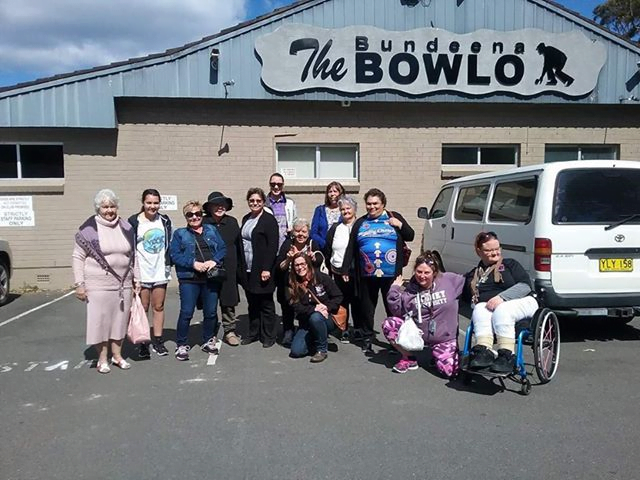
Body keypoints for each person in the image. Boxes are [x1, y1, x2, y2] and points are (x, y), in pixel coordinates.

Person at [72, 189, 140, 374]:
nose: (109, 210)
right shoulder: (88, 230)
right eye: (105, 207)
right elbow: (78, 257)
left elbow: (133, 256)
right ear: (98, 208)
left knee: (120, 321)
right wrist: (79, 284)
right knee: (100, 322)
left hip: (123, 284)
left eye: (112, 206)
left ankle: (117, 356)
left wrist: (137, 279)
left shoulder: (126, 227)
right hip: (98, 285)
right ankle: (102, 359)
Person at [341, 188, 414, 352]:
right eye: (369, 204)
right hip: (367, 274)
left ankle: (395, 339)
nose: (372, 207)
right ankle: (367, 337)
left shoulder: (393, 217)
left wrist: (400, 225)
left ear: (383, 204)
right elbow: (351, 247)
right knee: (367, 308)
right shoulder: (360, 222)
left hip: (391, 274)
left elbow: (410, 235)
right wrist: (345, 269)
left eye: (375, 203)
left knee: (392, 307)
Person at [465, 231, 539, 373]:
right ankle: (484, 351)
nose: (494, 253)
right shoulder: (475, 274)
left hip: (523, 301)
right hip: (493, 308)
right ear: (479, 251)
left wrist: (502, 297)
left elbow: (525, 286)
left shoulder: (510, 264)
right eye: (489, 250)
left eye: (497, 248)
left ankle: (507, 355)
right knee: (479, 308)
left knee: (502, 309)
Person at [382, 252, 464, 376]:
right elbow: (397, 310)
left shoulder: (449, 280)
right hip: (419, 335)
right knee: (389, 324)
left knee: (449, 372)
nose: (422, 276)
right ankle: (408, 357)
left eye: (427, 272)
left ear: (434, 272)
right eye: (419, 272)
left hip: (444, 338)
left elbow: (472, 282)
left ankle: (443, 355)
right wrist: (394, 289)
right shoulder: (411, 290)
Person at [169, 201, 226, 361]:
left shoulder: (211, 230)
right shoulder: (180, 234)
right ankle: (181, 344)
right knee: (187, 312)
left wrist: (214, 261)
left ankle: (208, 340)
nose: (194, 217)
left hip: (210, 277)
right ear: (185, 217)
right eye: (190, 214)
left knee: (211, 312)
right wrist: (193, 263)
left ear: (202, 214)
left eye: (198, 214)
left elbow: (222, 248)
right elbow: (174, 255)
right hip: (189, 279)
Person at [128, 188, 172, 358]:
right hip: (142, 272)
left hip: (160, 270)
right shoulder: (134, 222)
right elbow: (129, 248)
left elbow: (169, 243)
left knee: (158, 306)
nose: (152, 206)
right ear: (143, 203)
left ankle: (158, 341)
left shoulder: (165, 221)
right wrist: (132, 273)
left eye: (156, 203)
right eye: (149, 203)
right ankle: (143, 342)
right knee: (143, 307)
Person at [239, 187, 280, 348]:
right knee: (253, 303)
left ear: (263, 202)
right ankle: (253, 333)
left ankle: (269, 336)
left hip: (262, 269)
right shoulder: (246, 218)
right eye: (252, 200)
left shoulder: (269, 220)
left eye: (258, 200)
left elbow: (273, 246)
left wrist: (267, 268)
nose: (255, 203)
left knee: (266, 304)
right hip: (248, 269)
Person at [286, 253, 343, 363]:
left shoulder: (322, 277)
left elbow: (338, 296)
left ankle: (322, 350)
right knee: (296, 351)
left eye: (302, 264)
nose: (300, 267)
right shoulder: (291, 283)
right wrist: (314, 309)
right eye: (296, 265)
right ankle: (318, 337)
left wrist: (326, 307)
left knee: (316, 317)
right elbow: (296, 306)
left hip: (326, 317)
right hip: (306, 321)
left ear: (308, 264)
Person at [275, 218, 324, 347]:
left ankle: (306, 331)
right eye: (297, 231)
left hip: (308, 285)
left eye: (304, 231)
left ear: (308, 233)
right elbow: (280, 267)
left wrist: (313, 258)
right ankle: (288, 330)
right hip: (290, 283)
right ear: (293, 232)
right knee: (288, 308)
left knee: (306, 308)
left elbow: (320, 260)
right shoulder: (288, 244)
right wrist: (288, 259)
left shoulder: (312, 244)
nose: (300, 234)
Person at [203, 191, 242, 347]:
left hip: (229, 267)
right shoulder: (203, 223)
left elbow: (239, 245)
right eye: (216, 205)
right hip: (208, 268)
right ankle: (210, 333)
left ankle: (229, 331)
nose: (220, 207)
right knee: (210, 302)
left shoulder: (232, 222)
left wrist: (239, 268)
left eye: (223, 204)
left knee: (228, 301)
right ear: (209, 207)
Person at [324, 195, 360, 343]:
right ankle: (343, 328)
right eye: (342, 209)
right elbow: (328, 249)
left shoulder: (361, 226)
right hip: (337, 271)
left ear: (355, 209)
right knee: (342, 301)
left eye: (348, 208)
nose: (345, 211)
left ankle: (358, 329)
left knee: (357, 301)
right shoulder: (335, 228)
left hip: (356, 272)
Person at [264, 172, 297, 248]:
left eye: (279, 184)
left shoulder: (290, 202)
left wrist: (292, 228)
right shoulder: (264, 204)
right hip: (269, 243)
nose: (276, 187)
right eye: (273, 184)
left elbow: (295, 221)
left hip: (286, 243)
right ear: (269, 185)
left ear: (283, 185)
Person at [310, 181, 345, 249]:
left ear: (340, 193)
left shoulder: (345, 210)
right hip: (323, 248)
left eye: (335, 191)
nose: (332, 194)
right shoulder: (320, 210)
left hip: (340, 249)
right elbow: (313, 233)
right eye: (330, 192)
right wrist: (324, 244)